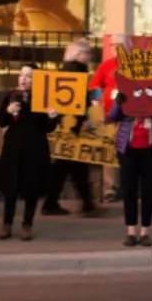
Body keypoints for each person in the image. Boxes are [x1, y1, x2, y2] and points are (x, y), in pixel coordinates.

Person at [108, 81, 152, 248]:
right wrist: (119, 101)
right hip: (129, 149)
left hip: (151, 149)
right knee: (129, 190)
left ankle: (145, 231)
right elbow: (113, 117)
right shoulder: (127, 89)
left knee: (148, 191)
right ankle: (131, 231)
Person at [0, 65, 58, 241]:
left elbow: (47, 128)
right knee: (10, 189)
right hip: (13, 148)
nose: (24, 79)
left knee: (31, 188)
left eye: (29, 76)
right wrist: (7, 112)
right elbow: (1, 122)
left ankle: (27, 224)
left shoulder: (42, 99)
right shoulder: (11, 96)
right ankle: (6, 224)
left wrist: (53, 117)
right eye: (21, 75)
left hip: (35, 148)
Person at [44, 41, 104, 217]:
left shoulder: (65, 70)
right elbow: (77, 99)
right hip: (72, 126)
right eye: (87, 54)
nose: (90, 58)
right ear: (78, 55)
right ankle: (85, 203)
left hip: (66, 125)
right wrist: (85, 116)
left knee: (65, 167)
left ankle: (56, 202)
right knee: (74, 166)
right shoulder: (76, 71)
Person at [88, 38, 122, 202]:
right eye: (115, 46)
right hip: (109, 117)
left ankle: (127, 186)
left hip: (129, 118)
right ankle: (110, 189)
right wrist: (97, 107)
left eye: (121, 46)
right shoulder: (106, 66)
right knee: (109, 153)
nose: (117, 49)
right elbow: (95, 86)